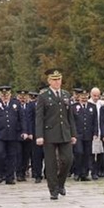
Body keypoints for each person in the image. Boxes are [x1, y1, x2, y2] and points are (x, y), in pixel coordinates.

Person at [35, 68, 77, 200]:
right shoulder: (43, 96)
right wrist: (39, 135)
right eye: (54, 80)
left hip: (64, 132)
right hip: (49, 133)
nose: (57, 82)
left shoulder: (65, 95)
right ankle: (53, 189)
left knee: (68, 159)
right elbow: (39, 117)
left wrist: (73, 134)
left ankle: (60, 183)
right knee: (51, 163)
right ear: (49, 81)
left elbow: (70, 116)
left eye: (59, 79)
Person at [0, 86, 28, 185]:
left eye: (7, 95)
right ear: (0, 95)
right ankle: (0, 174)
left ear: (10, 94)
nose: (5, 97)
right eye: (3, 95)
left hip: (13, 134)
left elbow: (22, 119)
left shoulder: (16, 103)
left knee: (12, 156)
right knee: (0, 153)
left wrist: (24, 131)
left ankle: (10, 177)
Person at [71, 88, 98, 181]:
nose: (84, 98)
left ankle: (84, 173)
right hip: (78, 134)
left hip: (88, 134)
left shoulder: (92, 107)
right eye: (82, 97)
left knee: (87, 154)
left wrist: (95, 133)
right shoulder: (74, 107)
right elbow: (72, 122)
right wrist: (72, 134)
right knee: (79, 153)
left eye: (85, 96)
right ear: (78, 97)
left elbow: (95, 121)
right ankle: (77, 172)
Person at [89, 87, 104, 180]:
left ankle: (100, 170)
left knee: (101, 152)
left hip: (101, 131)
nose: (96, 97)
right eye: (94, 95)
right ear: (90, 95)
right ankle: (93, 171)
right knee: (92, 152)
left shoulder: (102, 104)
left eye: (97, 96)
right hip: (92, 132)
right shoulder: (88, 103)